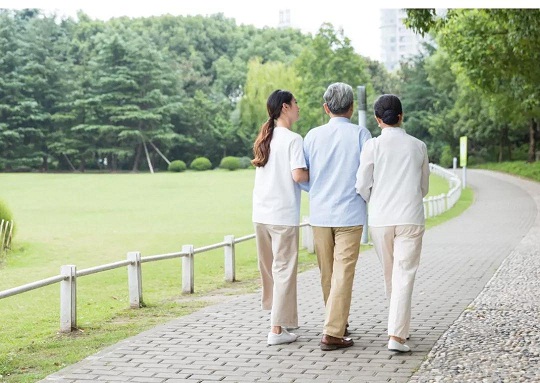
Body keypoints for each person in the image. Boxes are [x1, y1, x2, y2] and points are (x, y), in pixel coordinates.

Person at [355, 94, 429, 353]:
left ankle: (398, 329)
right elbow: (424, 187)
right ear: (401, 115)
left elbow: (362, 185)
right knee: (404, 275)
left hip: (381, 219)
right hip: (410, 217)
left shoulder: (372, 146)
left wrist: (375, 199)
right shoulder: (418, 146)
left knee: (392, 275)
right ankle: (397, 334)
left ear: (378, 120)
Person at [302, 82, 372, 351]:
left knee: (327, 273)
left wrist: (317, 189)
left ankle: (336, 323)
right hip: (350, 213)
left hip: (320, 213)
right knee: (343, 272)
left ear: (325, 108)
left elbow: (303, 175)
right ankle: (333, 331)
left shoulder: (312, 136)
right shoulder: (361, 134)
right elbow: (368, 172)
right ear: (351, 108)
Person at [252, 89, 309, 346]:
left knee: (271, 270)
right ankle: (276, 329)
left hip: (261, 214)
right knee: (284, 270)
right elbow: (298, 176)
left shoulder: (266, 137)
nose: (298, 107)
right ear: (285, 107)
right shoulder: (294, 139)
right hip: (283, 216)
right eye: (295, 103)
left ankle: (278, 321)